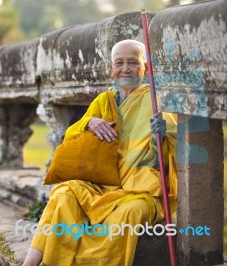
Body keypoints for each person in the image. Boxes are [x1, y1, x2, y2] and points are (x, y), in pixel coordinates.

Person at [22, 39, 177, 266]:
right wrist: (89, 123)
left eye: (133, 62)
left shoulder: (157, 102)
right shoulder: (104, 101)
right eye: (119, 62)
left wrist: (162, 134)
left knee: (130, 212)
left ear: (145, 67)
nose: (125, 68)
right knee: (63, 193)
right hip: (101, 184)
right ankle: (30, 263)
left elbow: (177, 145)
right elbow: (72, 139)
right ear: (111, 68)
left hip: (141, 189)